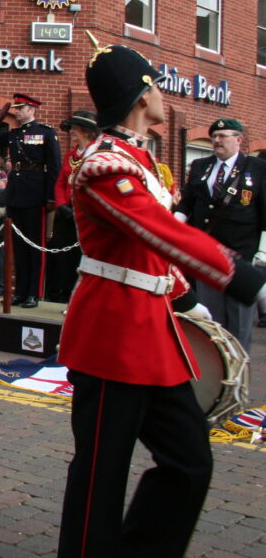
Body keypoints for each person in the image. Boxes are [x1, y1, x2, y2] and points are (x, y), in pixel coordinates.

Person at [56, 41, 266, 558]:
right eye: (154, 83)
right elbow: (159, 233)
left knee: (189, 461)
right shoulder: (106, 165)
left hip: (152, 331)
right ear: (140, 93)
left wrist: (186, 301)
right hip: (111, 335)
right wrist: (246, 278)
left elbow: (155, 254)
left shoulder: (138, 157)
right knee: (101, 471)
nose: (162, 94)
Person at [174, 118, 266, 350]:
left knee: (238, 324)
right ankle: (216, 373)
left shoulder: (256, 168)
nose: (217, 140)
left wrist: (263, 249)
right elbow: (187, 203)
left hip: (241, 255)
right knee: (211, 321)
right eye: (214, 136)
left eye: (223, 136)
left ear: (239, 139)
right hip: (207, 253)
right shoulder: (200, 166)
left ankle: (237, 374)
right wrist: (174, 230)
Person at [0, 93, 61, 308]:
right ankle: (21, 291)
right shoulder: (14, 134)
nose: (16, 112)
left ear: (32, 110)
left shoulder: (45, 133)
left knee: (34, 245)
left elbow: (54, 167)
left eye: (21, 108)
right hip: (16, 194)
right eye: (15, 108)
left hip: (36, 194)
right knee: (18, 246)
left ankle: (34, 293)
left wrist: (51, 196)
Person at [46, 111, 99, 304]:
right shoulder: (70, 155)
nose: (72, 133)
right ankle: (62, 294)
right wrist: (61, 204)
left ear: (86, 131)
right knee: (63, 257)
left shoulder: (98, 153)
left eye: (75, 129)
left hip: (86, 212)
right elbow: (60, 183)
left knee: (81, 257)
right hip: (66, 212)